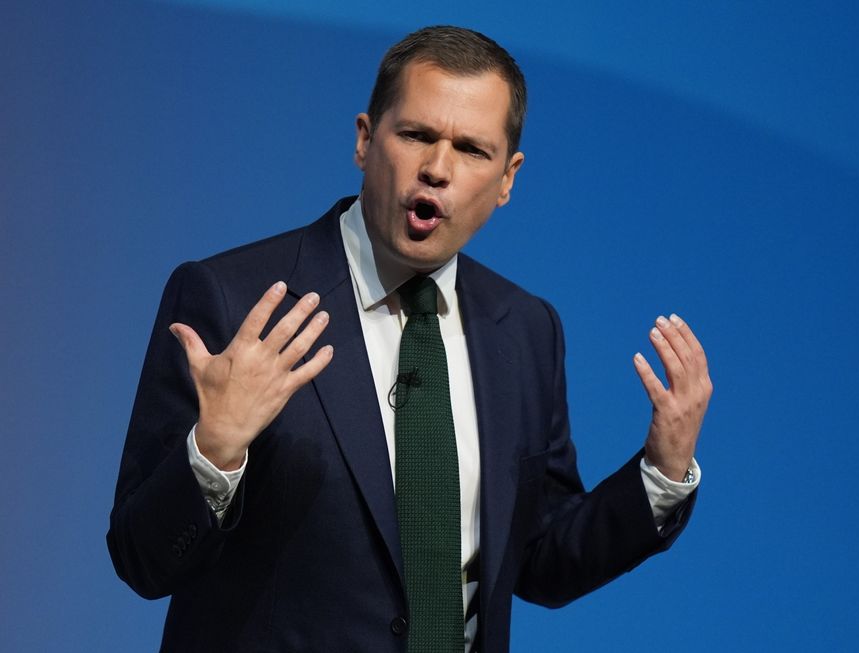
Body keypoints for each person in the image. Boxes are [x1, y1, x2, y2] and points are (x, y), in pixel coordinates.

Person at [107, 25, 712, 653]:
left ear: (508, 178)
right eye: (416, 135)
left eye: (472, 150)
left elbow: (539, 559)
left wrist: (661, 473)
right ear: (366, 140)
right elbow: (141, 560)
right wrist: (216, 452)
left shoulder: (527, 330)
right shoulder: (233, 301)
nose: (437, 169)